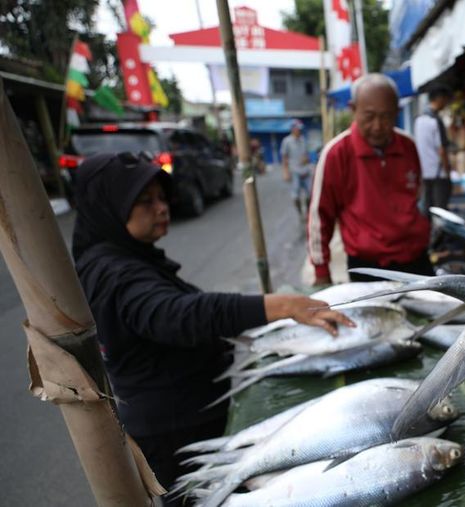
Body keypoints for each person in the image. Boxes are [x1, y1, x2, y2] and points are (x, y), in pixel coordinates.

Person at [71, 152, 353, 505]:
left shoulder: (127, 258)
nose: (161, 208)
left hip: (189, 417)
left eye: (161, 197)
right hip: (174, 434)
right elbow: (179, 315)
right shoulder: (112, 273)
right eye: (145, 202)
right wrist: (282, 306)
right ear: (109, 207)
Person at [307, 73, 432, 285]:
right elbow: (320, 217)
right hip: (367, 266)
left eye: (386, 117)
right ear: (353, 109)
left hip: (415, 258)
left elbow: (417, 195)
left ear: (397, 113)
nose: (377, 125)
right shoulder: (336, 153)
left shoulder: (408, 145)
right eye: (369, 116)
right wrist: (321, 271)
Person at [415, 85, 453, 211]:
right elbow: (442, 149)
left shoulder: (418, 120)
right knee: (440, 209)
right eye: (446, 100)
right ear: (439, 99)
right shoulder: (436, 121)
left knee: (427, 206)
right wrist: (447, 171)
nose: (446, 103)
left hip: (424, 172)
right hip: (438, 173)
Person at [281, 120, 311, 214]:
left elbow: (307, 155)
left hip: (305, 170)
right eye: (298, 129)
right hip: (294, 171)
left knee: (310, 194)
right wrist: (286, 172)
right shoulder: (287, 141)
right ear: (293, 129)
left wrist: (306, 159)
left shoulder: (303, 139)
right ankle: (300, 212)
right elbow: (284, 157)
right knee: (295, 195)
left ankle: (307, 212)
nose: (299, 131)